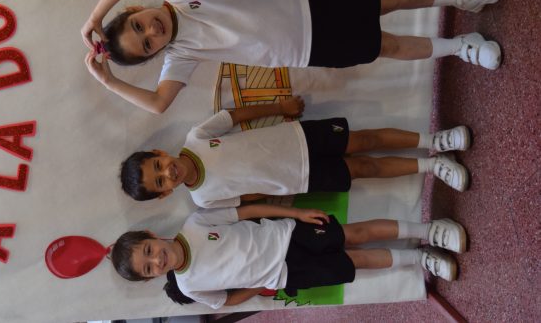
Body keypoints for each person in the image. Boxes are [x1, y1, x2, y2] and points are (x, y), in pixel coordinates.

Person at [81, 0, 502, 113]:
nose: (152, 32)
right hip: (306, 49)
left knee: (385, 0)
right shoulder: (182, 55)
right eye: (147, 45)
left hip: (308, 2)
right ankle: (460, 46)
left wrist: (96, 17)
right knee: (386, 46)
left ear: (135, 10)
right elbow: (159, 104)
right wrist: (108, 82)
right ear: (156, 54)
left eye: (139, 26)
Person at [119, 95, 471, 206]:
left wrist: (280, 107)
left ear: (159, 152)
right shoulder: (203, 199)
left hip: (300, 137)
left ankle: (434, 141)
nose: (167, 172)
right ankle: (433, 167)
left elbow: (236, 116)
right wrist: (281, 187)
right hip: (300, 178)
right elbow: (248, 197)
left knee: (366, 140)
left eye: (158, 165)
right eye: (160, 181)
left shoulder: (196, 136)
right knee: (366, 168)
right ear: (165, 193)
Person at [111, 203, 467, 309]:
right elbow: (227, 300)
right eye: (149, 269)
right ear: (151, 277)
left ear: (151, 235)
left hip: (288, 235)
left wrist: (295, 214)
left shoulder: (195, 223)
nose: (157, 261)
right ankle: (421, 260)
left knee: (355, 234)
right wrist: (260, 281)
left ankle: (429, 230)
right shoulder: (190, 287)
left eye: (148, 251)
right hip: (288, 274)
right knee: (354, 261)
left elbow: (247, 211)